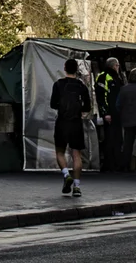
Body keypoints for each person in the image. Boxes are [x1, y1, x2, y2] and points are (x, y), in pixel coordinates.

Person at [50, 57, 92, 196]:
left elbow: (53, 104)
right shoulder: (81, 86)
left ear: (65, 68)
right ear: (77, 70)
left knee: (60, 152)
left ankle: (66, 174)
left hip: (62, 121)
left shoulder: (58, 85)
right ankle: (77, 186)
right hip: (76, 122)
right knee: (76, 155)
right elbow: (88, 106)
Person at [94, 58, 124, 172]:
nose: (118, 67)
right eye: (117, 65)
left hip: (117, 113)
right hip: (110, 113)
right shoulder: (103, 76)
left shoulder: (116, 77)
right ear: (114, 66)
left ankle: (117, 163)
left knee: (118, 139)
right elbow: (100, 97)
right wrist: (105, 113)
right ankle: (109, 163)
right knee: (110, 138)